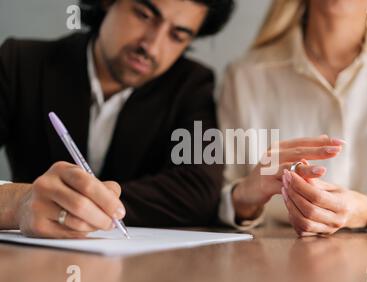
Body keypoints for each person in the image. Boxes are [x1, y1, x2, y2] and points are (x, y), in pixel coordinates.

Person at [0, 0, 235, 238]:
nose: (151, 47)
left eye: (178, 35)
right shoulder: (19, 62)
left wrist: (86, 202)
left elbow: (200, 190)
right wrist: (19, 201)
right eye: (143, 15)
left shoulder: (192, 85)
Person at [219, 0, 367, 235]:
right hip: (278, 259)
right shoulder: (244, 75)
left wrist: (364, 210)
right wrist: (244, 198)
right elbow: (221, 198)